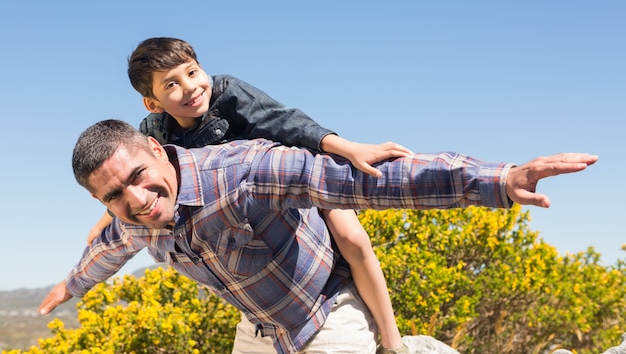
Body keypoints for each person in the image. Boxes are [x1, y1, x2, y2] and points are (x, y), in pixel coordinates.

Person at [40, 119, 597, 354]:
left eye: (138, 177)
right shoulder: (132, 220)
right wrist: (71, 285)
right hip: (258, 331)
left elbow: (367, 182)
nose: (136, 200)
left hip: (325, 314)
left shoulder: (243, 172)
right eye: (114, 196)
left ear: (157, 151)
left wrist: (499, 179)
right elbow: (106, 251)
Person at [84, 37, 412, 353]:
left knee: (351, 237)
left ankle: (392, 339)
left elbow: (285, 122)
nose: (190, 87)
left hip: (294, 178)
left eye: (193, 72)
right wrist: (108, 218)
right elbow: (134, 176)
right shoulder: (154, 130)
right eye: (171, 84)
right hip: (253, 215)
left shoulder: (227, 93)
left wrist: (348, 148)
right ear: (153, 103)